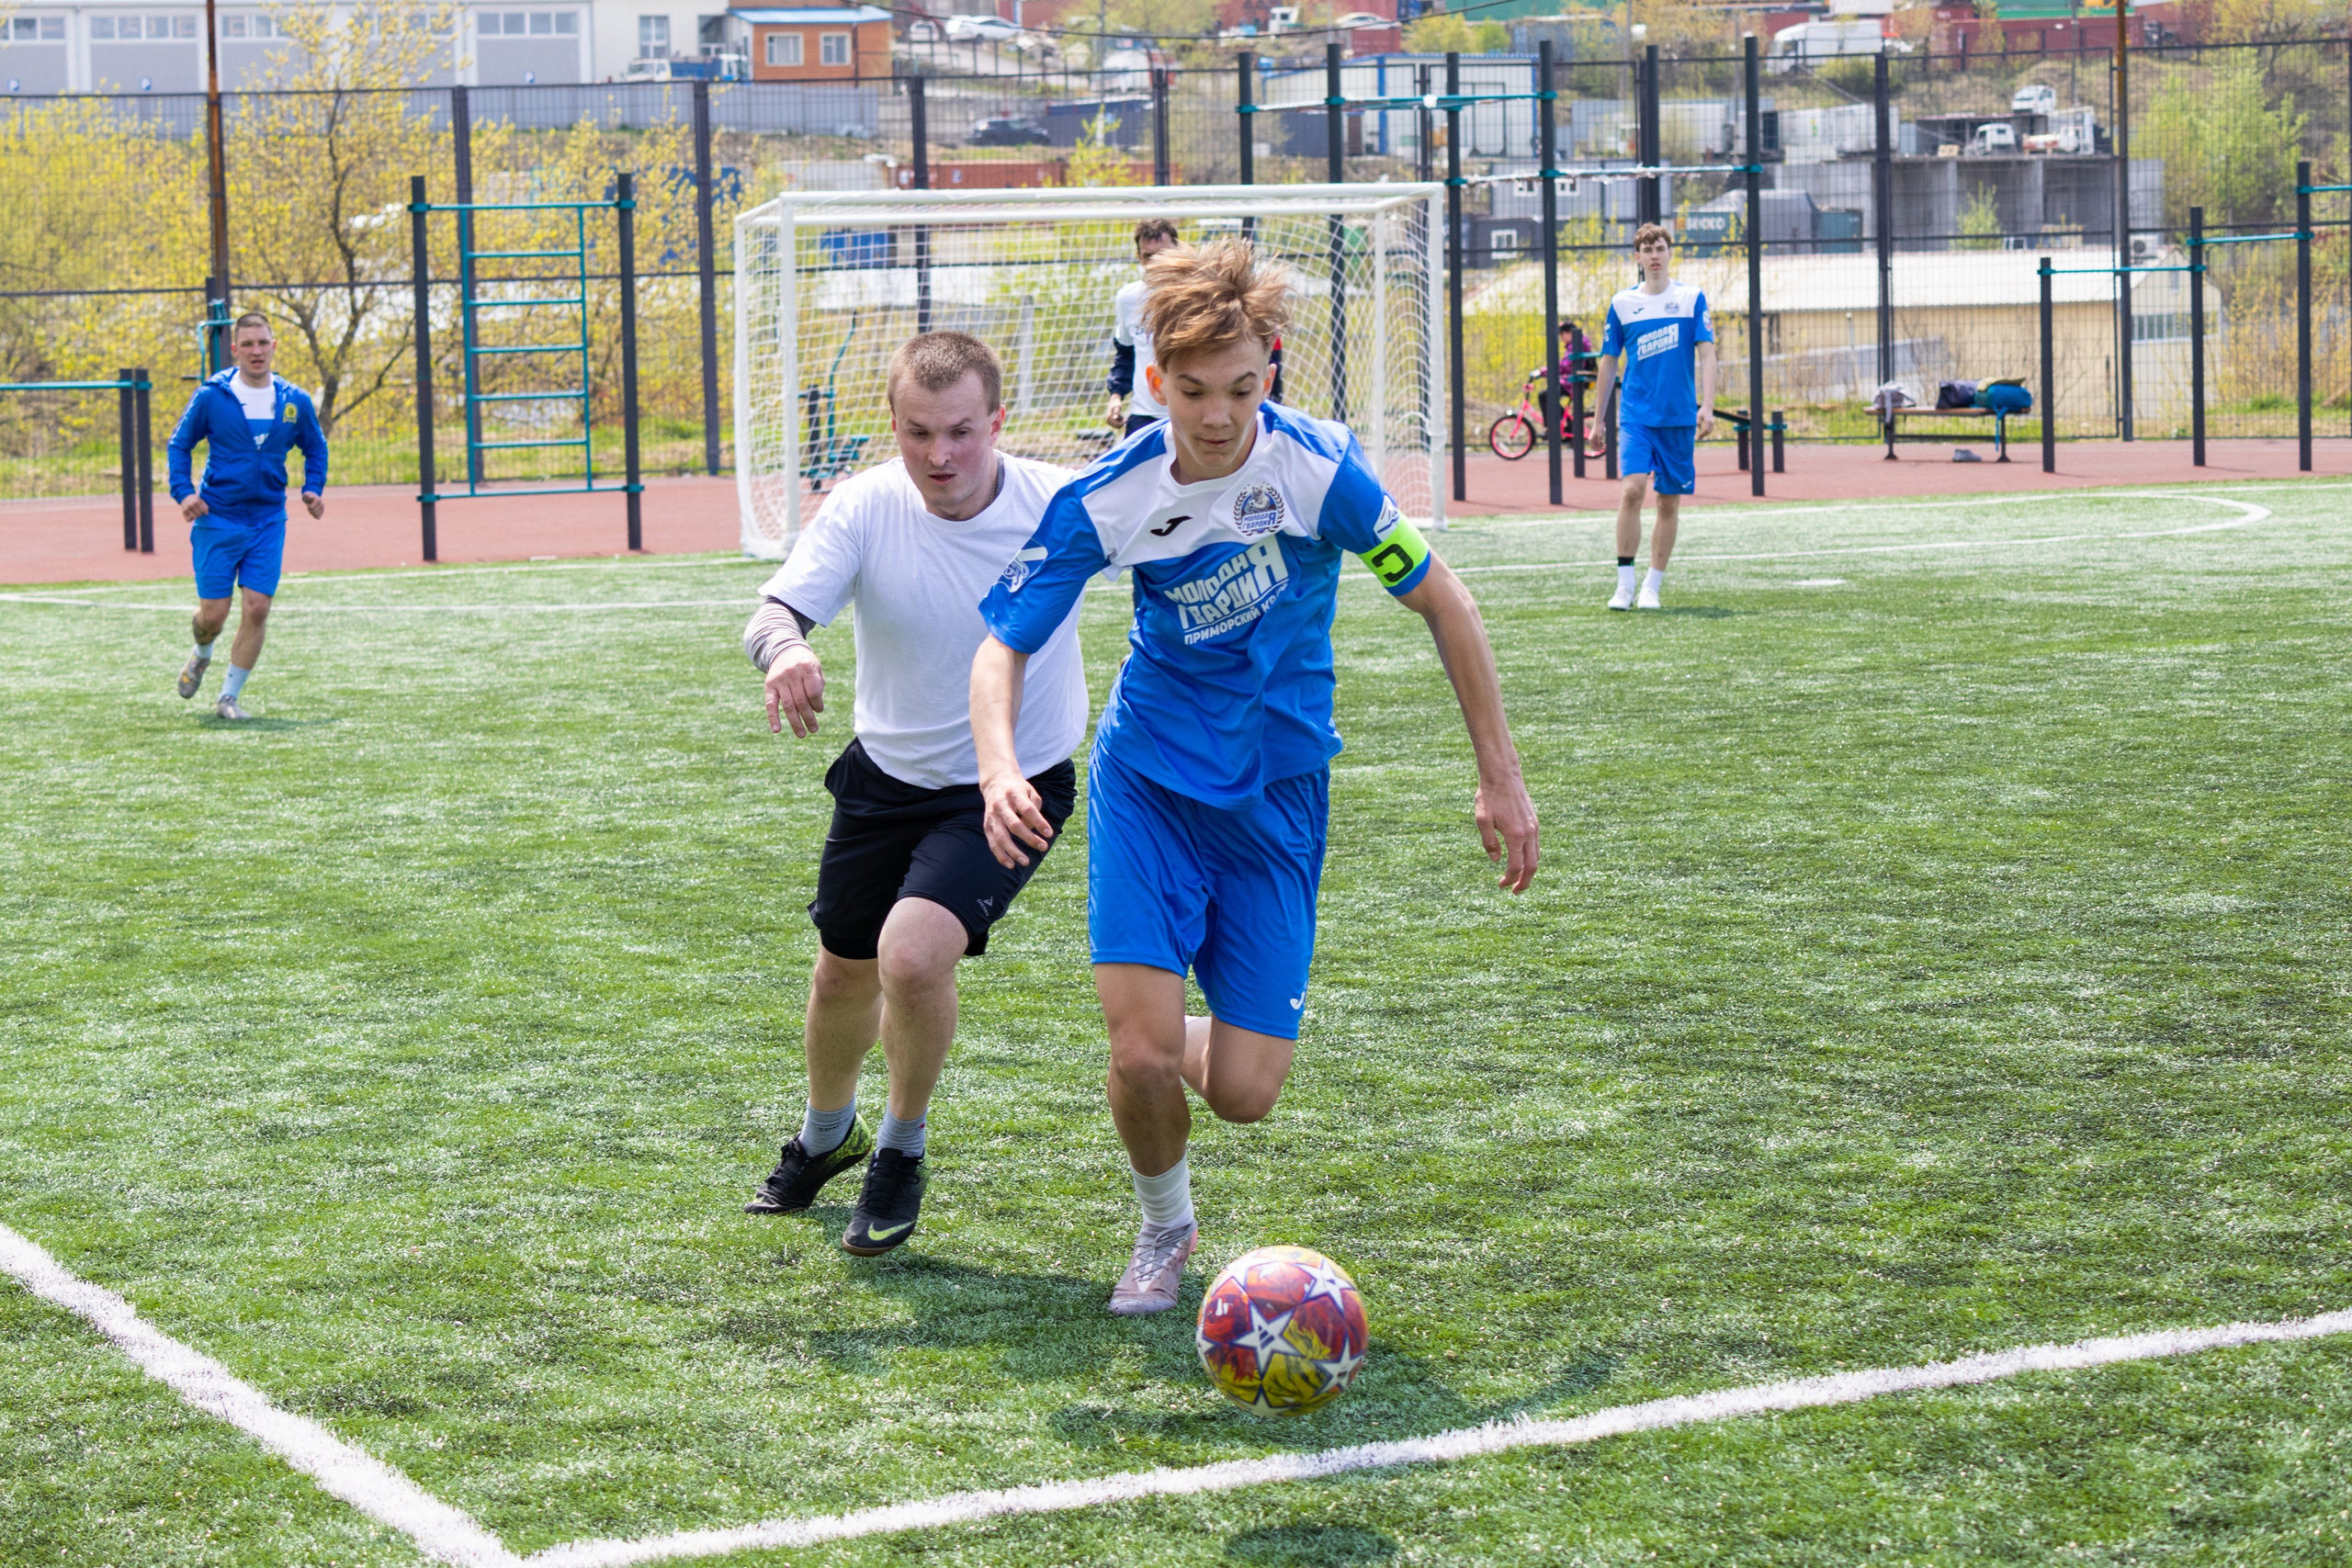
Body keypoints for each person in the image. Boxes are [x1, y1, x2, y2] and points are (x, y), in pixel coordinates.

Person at [970, 240, 1540, 1315]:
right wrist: (999, 767)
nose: (1219, 414)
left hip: (1277, 796)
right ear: (1154, 384)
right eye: (1192, 392)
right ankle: (1162, 1226)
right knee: (1137, 1053)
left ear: (1269, 372)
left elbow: (1444, 602)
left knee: (1244, 1093)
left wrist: (1498, 778)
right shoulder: (1111, 497)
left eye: (1240, 388)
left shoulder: (1320, 473)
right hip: (1150, 785)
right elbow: (1001, 647)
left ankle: (1209, 1039)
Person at [741, 331, 1087, 1257]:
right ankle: (826, 1136)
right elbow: (775, 610)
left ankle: (901, 1146)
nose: (940, 455)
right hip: (884, 776)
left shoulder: (1061, 503)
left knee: (911, 954)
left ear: (997, 424)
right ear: (892, 425)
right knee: (840, 970)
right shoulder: (864, 505)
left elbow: (1176, 539)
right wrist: (790, 650)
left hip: (1011, 782)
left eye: (962, 433)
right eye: (919, 432)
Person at [166, 312, 328, 719]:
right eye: (248, 344)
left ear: (274, 347)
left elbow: (316, 448)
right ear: (235, 350)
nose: (257, 351)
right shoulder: (212, 396)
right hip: (218, 518)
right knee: (214, 615)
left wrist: (313, 488)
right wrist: (184, 493)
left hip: (268, 519)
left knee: (258, 607)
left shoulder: (295, 400)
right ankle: (202, 653)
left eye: (264, 343)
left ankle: (228, 699)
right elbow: (178, 445)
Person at [1589, 223, 1716, 612]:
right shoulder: (1623, 304)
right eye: (1647, 249)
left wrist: (1707, 406)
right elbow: (1609, 362)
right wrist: (1598, 420)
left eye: (1660, 247)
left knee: (1668, 503)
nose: (1655, 254)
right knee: (1631, 490)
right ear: (1638, 257)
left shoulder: (1691, 298)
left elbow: (1707, 353)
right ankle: (1624, 584)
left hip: (1678, 417)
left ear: (1670, 252)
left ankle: (1652, 587)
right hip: (1636, 416)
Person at [1104, 218, 1182, 438]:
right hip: (1143, 417)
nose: (1157, 262)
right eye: (1149, 256)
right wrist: (1116, 396)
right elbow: (1126, 353)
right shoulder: (1128, 298)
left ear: (1177, 252)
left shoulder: (1199, 296)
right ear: (1139, 258)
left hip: (1188, 415)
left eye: (1164, 254)